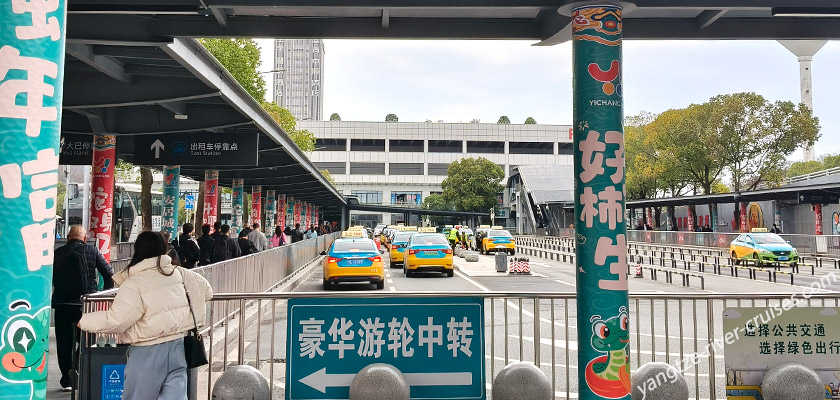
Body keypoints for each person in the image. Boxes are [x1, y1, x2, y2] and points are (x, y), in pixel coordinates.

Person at [79, 231, 213, 400]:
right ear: (164, 249)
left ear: (138, 250)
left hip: (147, 351)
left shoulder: (135, 283)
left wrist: (84, 321)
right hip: (178, 347)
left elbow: (117, 320)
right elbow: (207, 291)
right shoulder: (180, 273)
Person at [52, 226, 115, 392]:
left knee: (64, 343)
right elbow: (109, 274)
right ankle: (78, 369)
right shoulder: (92, 251)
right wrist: (102, 295)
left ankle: (66, 379)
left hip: (62, 304)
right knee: (88, 340)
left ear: (68, 238)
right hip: (86, 305)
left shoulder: (57, 254)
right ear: (85, 238)